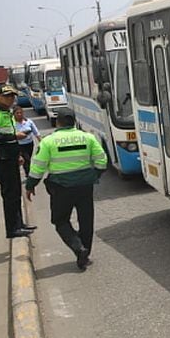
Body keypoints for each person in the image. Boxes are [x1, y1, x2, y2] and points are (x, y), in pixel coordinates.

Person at [24, 108, 107, 271]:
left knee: (60, 220)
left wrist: (30, 185)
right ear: (74, 121)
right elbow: (102, 161)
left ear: (57, 122)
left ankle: (78, 248)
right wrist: (92, 176)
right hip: (84, 187)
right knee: (86, 221)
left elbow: (38, 166)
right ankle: (85, 255)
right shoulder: (88, 138)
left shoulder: (48, 141)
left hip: (61, 188)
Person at [0, 85, 35, 239]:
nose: (11, 99)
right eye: (7, 96)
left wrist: (18, 153)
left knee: (16, 193)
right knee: (10, 195)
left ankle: (19, 224)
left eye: (12, 96)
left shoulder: (6, 112)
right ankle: (12, 229)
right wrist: (16, 137)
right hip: (1, 159)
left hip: (10, 158)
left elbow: (9, 134)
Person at [13, 106, 41, 177]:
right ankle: (29, 174)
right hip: (20, 145)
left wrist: (41, 142)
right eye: (17, 113)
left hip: (29, 144)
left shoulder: (28, 122)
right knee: (26, 160)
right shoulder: (13, 124)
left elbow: (36, 132)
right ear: (14, 114)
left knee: (28, 159)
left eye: (20, 112)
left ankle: (27, 171)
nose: (19, 114)